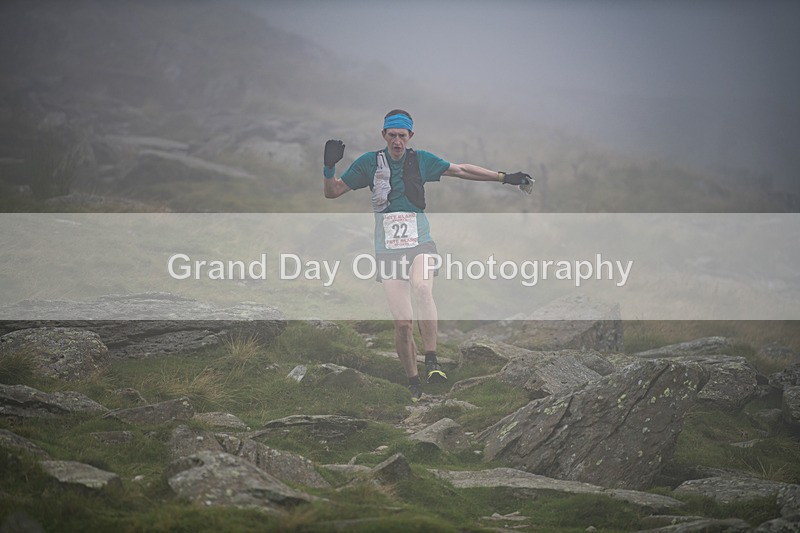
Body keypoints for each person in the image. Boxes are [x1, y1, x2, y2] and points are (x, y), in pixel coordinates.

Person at [323, 109, 532, 401]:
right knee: (403, 324)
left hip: (420, 241)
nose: (397, 141)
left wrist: (504, 177)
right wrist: (328, 167)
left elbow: (460, 170)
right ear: (384, 135)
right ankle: (413, 381)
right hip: (387, 250)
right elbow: (332, 192)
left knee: (422, 288)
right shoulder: (369, 164)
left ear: (410, 137)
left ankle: (431, 357)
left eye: (402, 136)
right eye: (392, 135)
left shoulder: (421, 160)